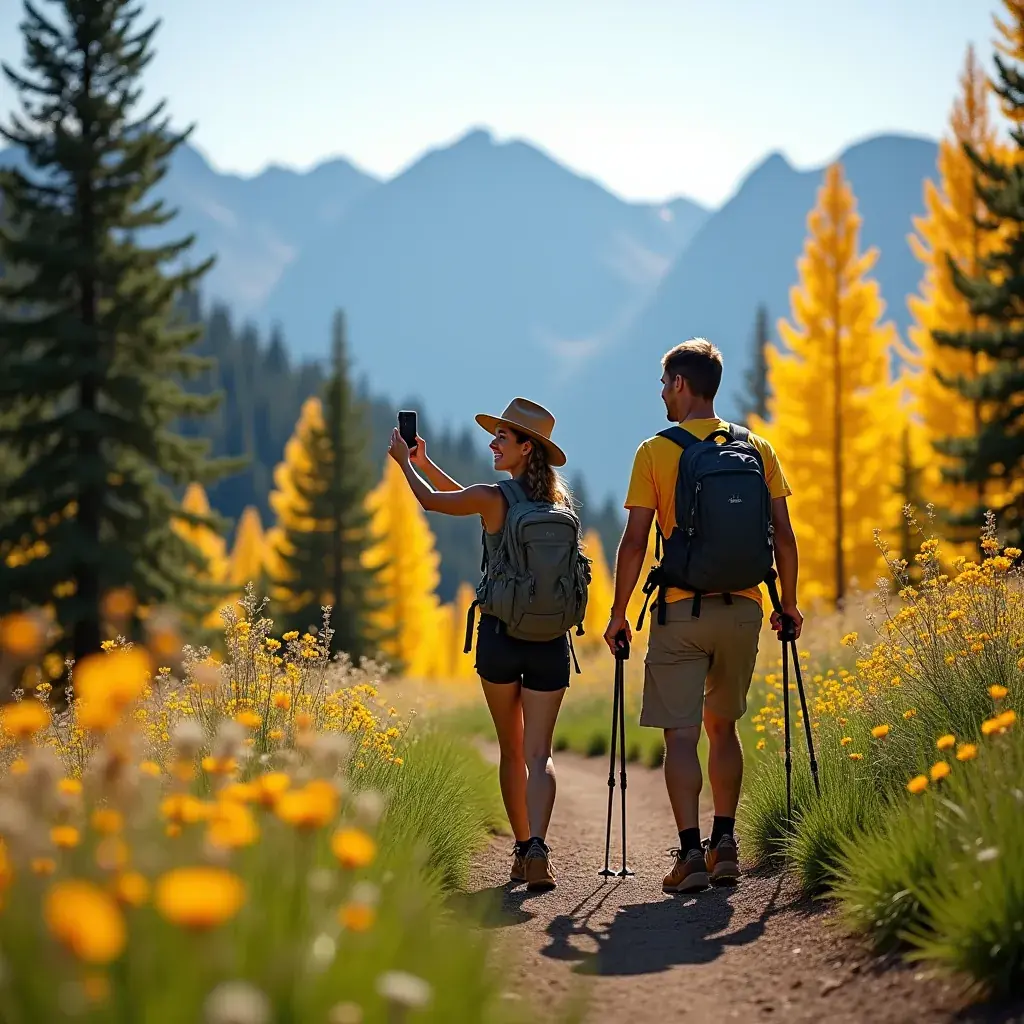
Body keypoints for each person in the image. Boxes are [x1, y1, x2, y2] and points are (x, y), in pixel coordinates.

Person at [603, 338, 801, 893]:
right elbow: (784, 535)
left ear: (681, 384)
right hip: (744, 607)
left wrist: (618, 613)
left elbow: (635, 542)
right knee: (723, 728)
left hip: (681, 611)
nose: (663, 394)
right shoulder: (757, 447)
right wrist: (788, 604)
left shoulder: (655, 451)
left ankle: (690, 854)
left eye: (665, 384)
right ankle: (726, 843)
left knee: (682, 736)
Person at [387, 397, 576, 892]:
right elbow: (461, 495)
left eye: (502, 438)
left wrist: (406, 464)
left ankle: (522, 848)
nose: (493, 444)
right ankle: (539, 849)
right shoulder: (558, 507)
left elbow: (436, 501)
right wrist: (427, 462)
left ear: (526, 448)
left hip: (500, 638)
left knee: (511, 750)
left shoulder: (493, 498)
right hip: (550, 641)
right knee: (539, 754)